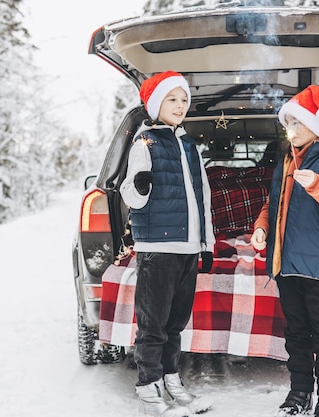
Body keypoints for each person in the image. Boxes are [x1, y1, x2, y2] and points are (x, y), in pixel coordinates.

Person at [250, 85, 319, 417]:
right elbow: (273, 202)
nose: (290, 132)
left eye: (296, 124)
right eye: (287, 126)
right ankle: (300, 392)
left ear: (317, 123)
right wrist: (262, 227)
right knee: (296, 332)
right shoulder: (288, 157)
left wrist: (316, 184)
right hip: (288, 261)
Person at [120, 71, 215, 417]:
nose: (180, 105)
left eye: (184, 99)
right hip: (158, 248)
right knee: (153, 323)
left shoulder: (189, 146)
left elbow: (202, 196)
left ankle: (171, 380)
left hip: (189, 248)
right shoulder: (145, 144)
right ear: (157, 103)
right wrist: (142, 185)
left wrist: (207, 243)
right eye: (172, 99)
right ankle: (149, 387)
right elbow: (131, 194)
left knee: (176, 322)